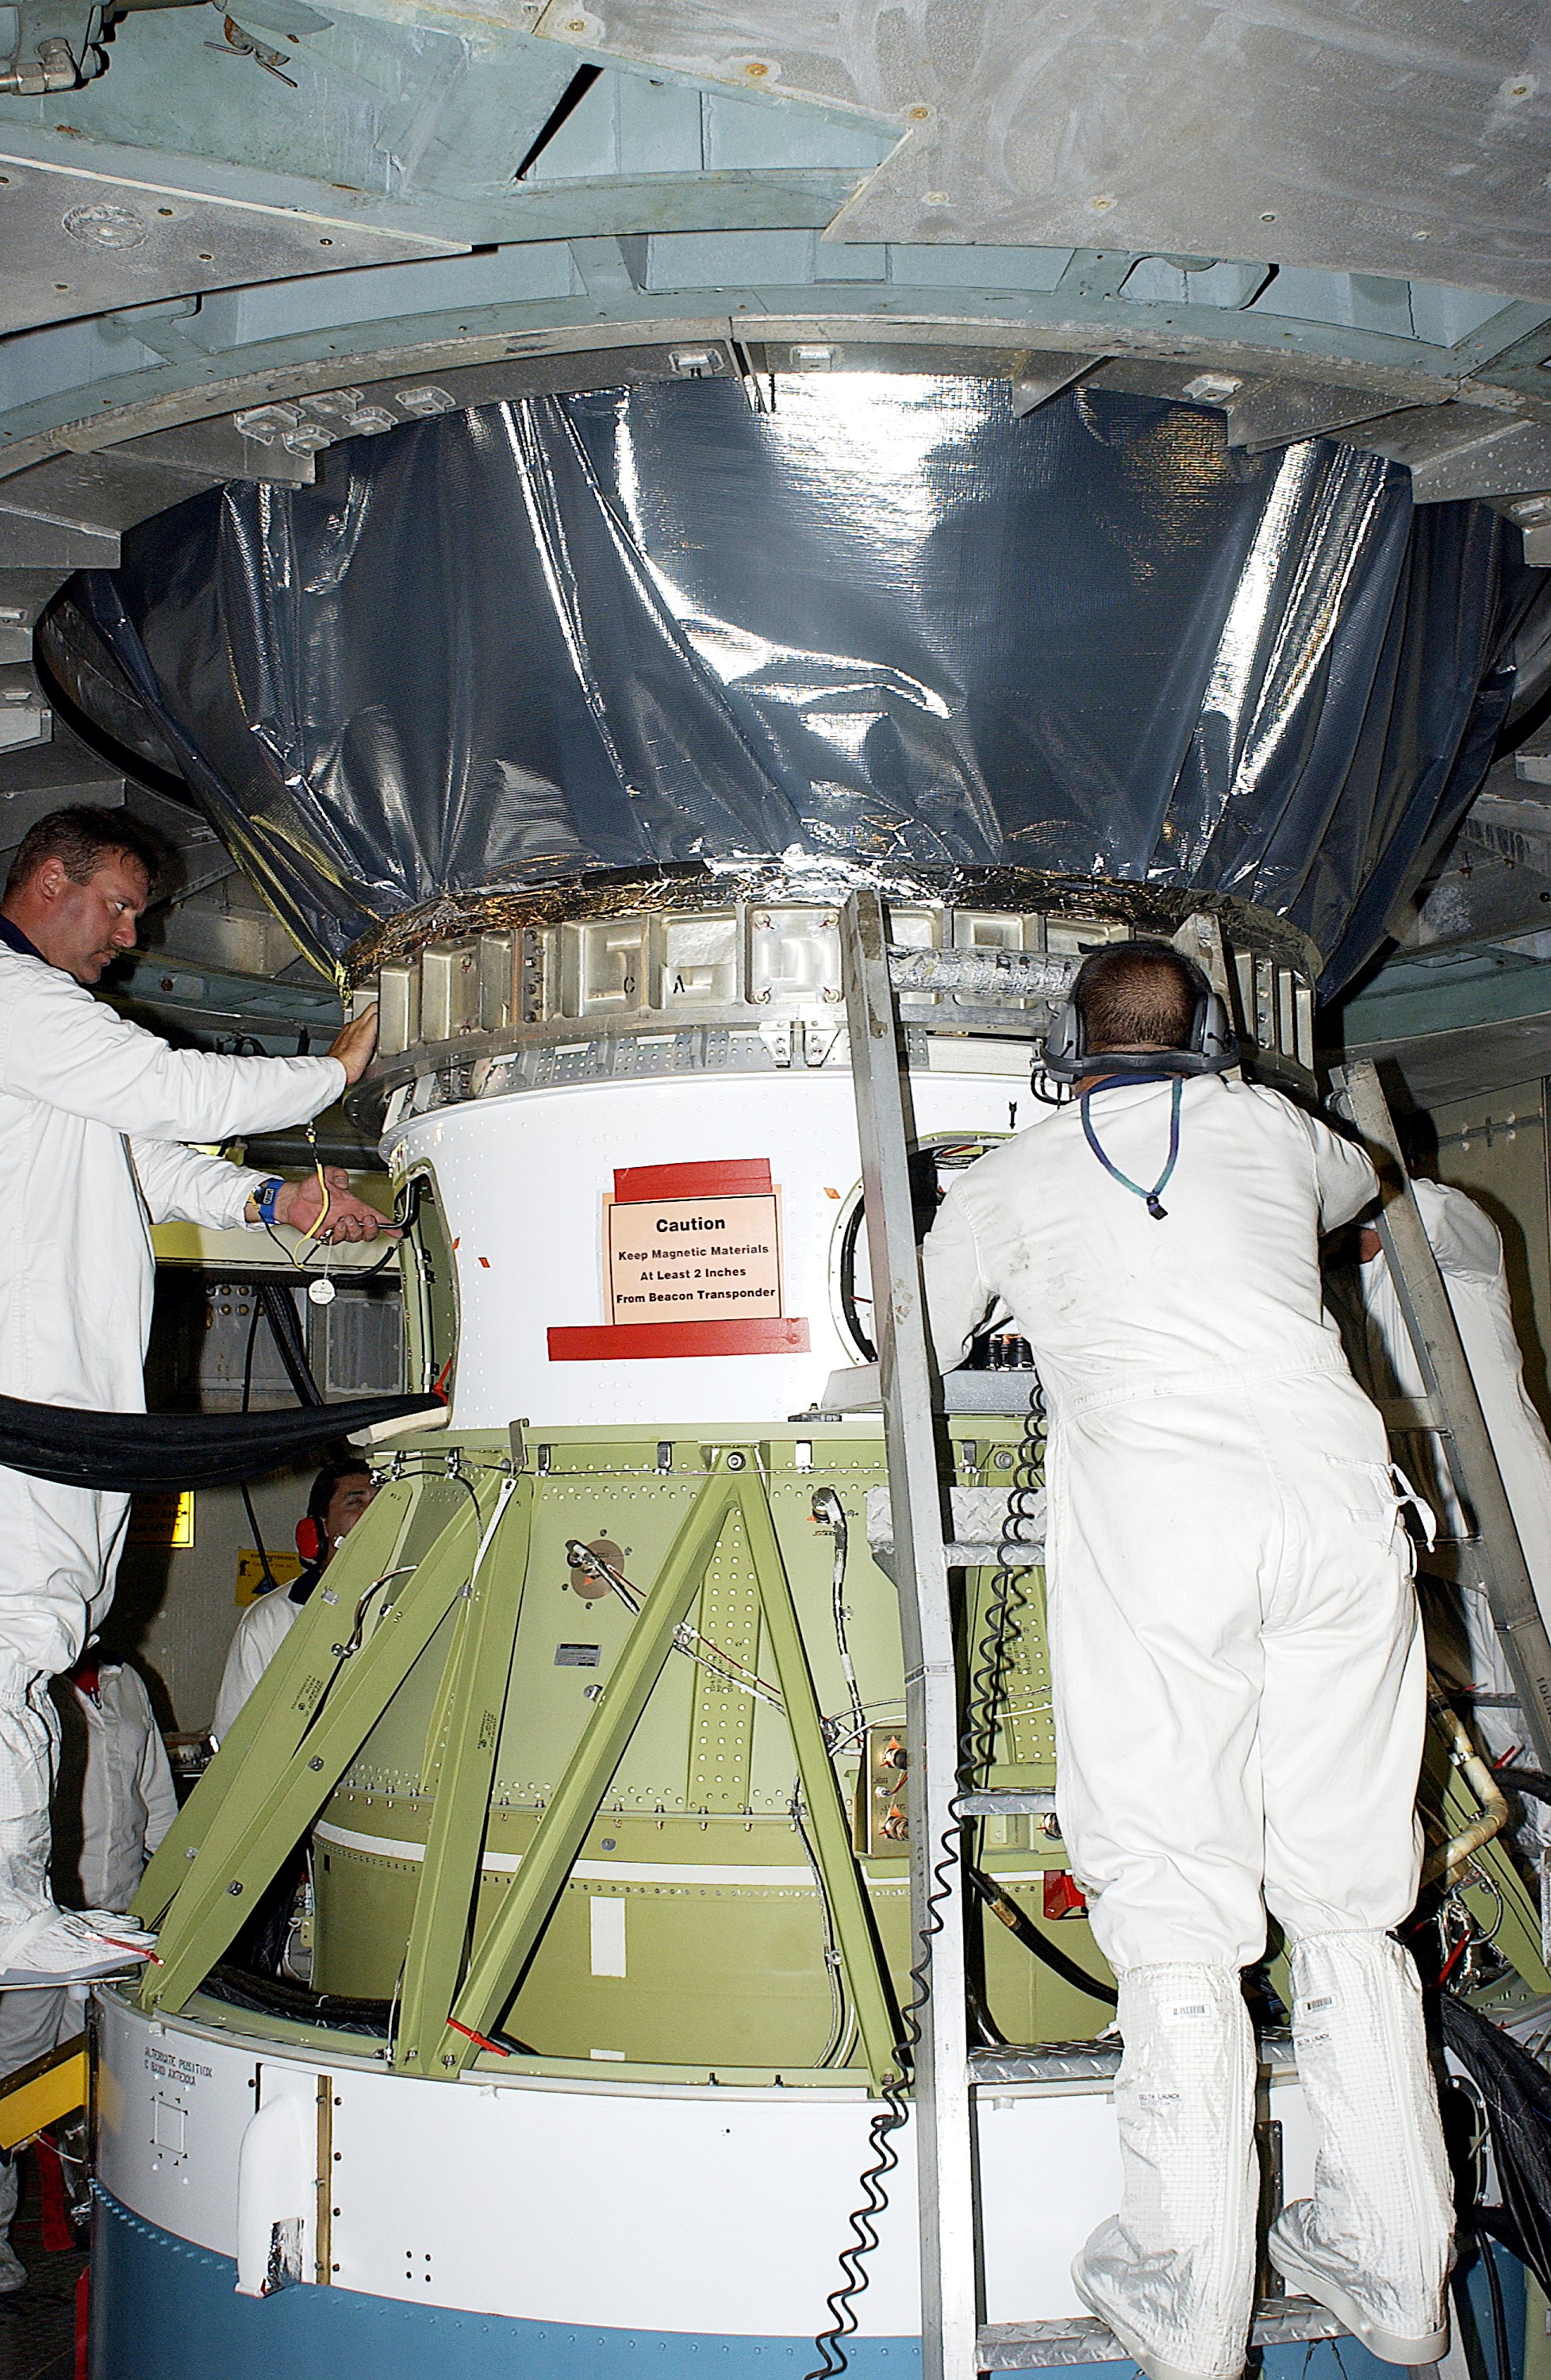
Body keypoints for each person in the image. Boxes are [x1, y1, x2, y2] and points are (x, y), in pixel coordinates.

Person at [921, 942, 1453, 2380]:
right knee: (1350, 1895)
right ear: (1207, 1033)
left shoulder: (1014, 1178)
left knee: (1173, 1901)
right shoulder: (1273, 1128)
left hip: (1170, 1542)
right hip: (1343, 1523)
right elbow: (1355, 1187)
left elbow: (906, 1336)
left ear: (1059, 1037)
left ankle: (1189, 2295)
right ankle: (1401, 2273)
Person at [0, 804, 390, 1983]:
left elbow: (141, 1152)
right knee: (17, 1633)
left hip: (72, 1412)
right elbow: (174, 1094)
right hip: (33, 1400)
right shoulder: (16, 1003)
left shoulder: (47, 1042)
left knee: (50, 1618)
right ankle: (7, 1906)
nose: (127, 936)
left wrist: (271, 1205)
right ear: (46, 878)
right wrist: (337, 1066)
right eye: (117, 905)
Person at [1342, 1176, 1551, 1794]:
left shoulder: (1458, 1239)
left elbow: (1425, 1212)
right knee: (1489, 1693)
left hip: (1511, 1494)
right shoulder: (1357, 1289)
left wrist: (1355, 1187)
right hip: (1439, 1518)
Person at [0, 1652, 178, 2287]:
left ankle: (102, 2229)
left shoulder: (127, 1684)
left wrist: (171, 1889)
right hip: (38, 1932)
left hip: (119, 1920)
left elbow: (154, 1798)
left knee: (112, 2087)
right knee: (15, 2080)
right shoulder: (20, 1681)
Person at [213, 1457, 378, 1739]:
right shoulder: (271, 1619)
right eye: (356, 1503)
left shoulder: (422, 1603)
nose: (375, 1514)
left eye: (383, 1502)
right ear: (319, 1528)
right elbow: (235, 1735)